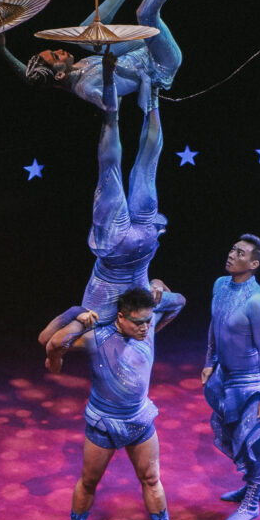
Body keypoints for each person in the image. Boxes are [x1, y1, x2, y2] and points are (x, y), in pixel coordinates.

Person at [37, 45, 169, 349]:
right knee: (144, 162)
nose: (143, 327)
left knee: (121, 164)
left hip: (118, 242)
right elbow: (177, 302)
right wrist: (158, 286)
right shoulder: (135, 322)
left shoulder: (99, 323)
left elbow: (48, 340)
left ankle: (152, 97)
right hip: (137, 241)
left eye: (142, 325)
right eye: (143, 324)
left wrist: (76, 314)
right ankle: (152, 97)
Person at [45, 283, 188, 520]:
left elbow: (180, 301)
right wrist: (76, 316)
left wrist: (158, 288)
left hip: (139, 420)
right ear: (121, 317)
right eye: (138, 322)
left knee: (152, 479)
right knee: (89, 481)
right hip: (104, 422)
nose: (146, 327)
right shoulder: (96, 338)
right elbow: (53, 342)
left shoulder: (147, 327)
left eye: (149, 321)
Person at [0, 0, 191, 113]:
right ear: (59, 75)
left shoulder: (70, 71)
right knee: (145, 14)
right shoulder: (85, 88)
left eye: (54, 51)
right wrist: (107, 74)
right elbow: (110, 107)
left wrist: (2, 49)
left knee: (85, 34)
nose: (59, 50)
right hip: (161, 64)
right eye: (56, 56)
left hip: (137, 50)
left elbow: (32, 78)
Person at [200, 234, 260, 520]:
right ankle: (254, 487)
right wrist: (209, 361)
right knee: (233, 436)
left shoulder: (258, 301)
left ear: (253, 264)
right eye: (232, 249)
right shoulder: (220, 285)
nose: (231, 255)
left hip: (249, 382)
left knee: (253, 441)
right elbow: (214, 323)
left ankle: (252, 501)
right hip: (224, 376)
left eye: (240, 253)